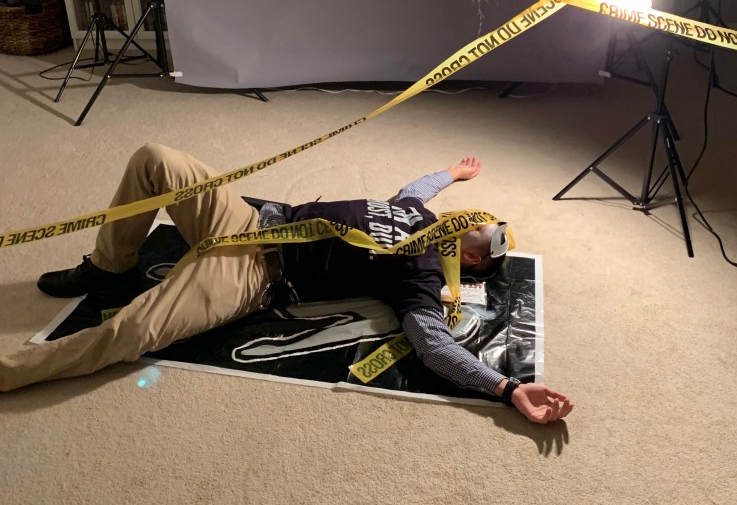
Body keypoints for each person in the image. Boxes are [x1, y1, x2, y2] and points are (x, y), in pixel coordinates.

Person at [0, 145, 574, 424]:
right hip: (249, 222)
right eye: (489, 220)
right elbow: (417, 185)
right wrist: (452, 173)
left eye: (492, 239)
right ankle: (109, 265)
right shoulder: (414, 210)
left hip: (252, 275)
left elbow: (432, 345)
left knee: (134, 330)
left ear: (471, 265)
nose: (484, 226)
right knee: (157, 161)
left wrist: (503, 388)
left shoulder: (420, 277)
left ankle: (13, 373)